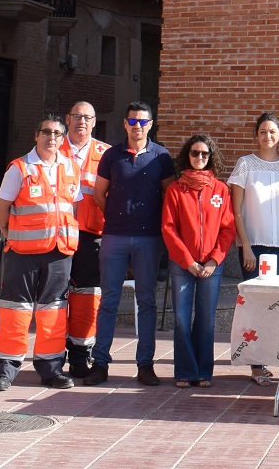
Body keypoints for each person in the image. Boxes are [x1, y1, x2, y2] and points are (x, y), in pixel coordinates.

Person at [84, 101, 177, 386]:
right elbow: (99, 195)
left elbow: (170, 197)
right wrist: (115, 217)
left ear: (151, 125)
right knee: (108, 300)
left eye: (143, 121)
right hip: (114, 237)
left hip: (149, 239)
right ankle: (100, 363)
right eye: (133, 121)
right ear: (125, 124)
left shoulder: (162, 157)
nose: (138, 126)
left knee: (146, 301)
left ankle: (145, 364)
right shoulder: (112, 155)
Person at [0, 114, 79, 391]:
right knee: (15, 311)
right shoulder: (19, 168)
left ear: (63, 139)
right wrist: (10, 232)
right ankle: (6, 369)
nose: (52, 137)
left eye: (57, 134)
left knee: (54, 312)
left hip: (59, 252)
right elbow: (0, 208)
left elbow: (72, 207)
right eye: (46, 132)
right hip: (23, 252)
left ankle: (51, 369)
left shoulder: (71, 167)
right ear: (36, 136)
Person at [227, 111, 279, 386]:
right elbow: (236, 211)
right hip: (253, 245)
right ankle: (256, 365)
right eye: (263, 131)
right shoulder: (245, 164)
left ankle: (271, 357)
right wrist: (245, 245)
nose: (268, 136)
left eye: (272, 131)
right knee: (255, 305)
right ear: (256, 135)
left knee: (276, 305)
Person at [162, 133, 236, 388]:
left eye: (205, 153)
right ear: (188, 155)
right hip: (183, 265)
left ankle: (203, 371)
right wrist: (187, 261)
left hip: (211, 266)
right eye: (195, 153)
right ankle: (185, 371)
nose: (200, 157)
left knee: (206, 319)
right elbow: (168, 228)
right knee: (182, 318)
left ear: (211, 157)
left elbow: (228, 228)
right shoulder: (175, 190)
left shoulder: (221, 190)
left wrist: (214, 260)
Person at [58, 101, 109, 378]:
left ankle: (80, 355)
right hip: (56, 234)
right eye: (77, 116)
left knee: (87, 299)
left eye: (87, 117)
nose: (82, 122)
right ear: (68, 119)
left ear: (94, 121)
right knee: (54, 300)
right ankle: (53, 356)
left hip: (91, 237)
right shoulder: (52, 148)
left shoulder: (107, 154)